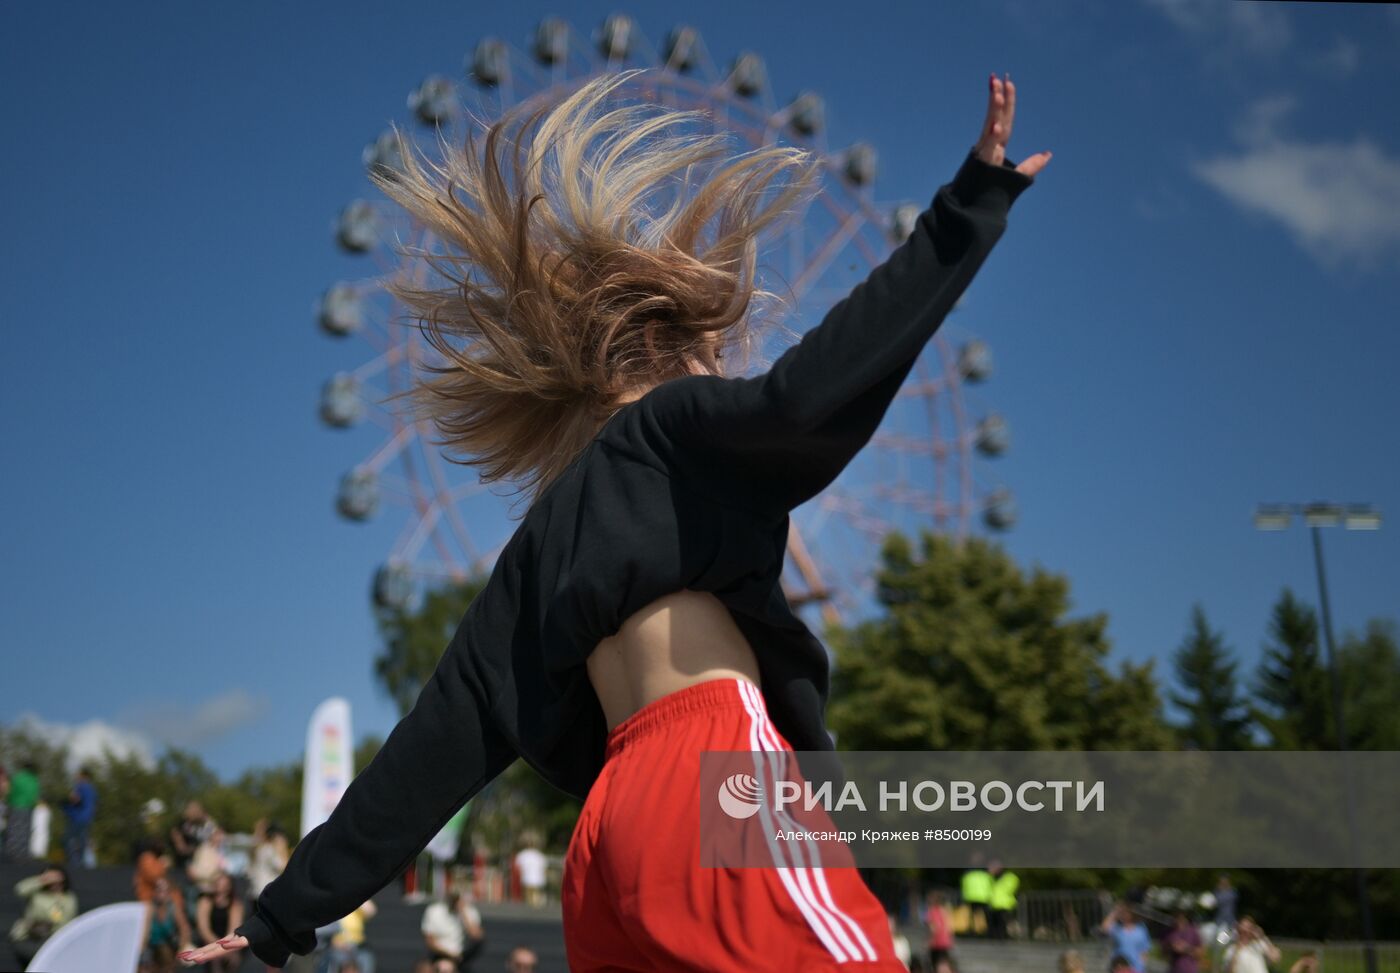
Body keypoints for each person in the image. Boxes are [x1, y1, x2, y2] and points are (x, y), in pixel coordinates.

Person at [182, 67, 1048, 972]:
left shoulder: (538, 544)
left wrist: (287, 911)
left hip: (606, 836)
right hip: (716, 771)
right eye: (719, 357)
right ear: (674, 346)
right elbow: (809, 395)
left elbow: (435, 746)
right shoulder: (674, 427)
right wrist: (968, 210)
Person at [8, 864, 78, 967]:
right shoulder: (37, 894)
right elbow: (20, 889)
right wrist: (42, 880)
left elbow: (66, 920)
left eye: (56, 877)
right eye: (49, 877)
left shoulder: (69, 898)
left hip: (54, 938)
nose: (53, 881)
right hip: (30, 938)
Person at [421, 888, 485, 971]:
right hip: (440, 955)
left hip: (463, 957)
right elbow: (430, 941)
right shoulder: (434, 911)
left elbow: (477, 936)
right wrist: (450, 955)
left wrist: (462, 911)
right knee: (440, 967)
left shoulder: (470, 912)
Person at [141, 876, 193, 973]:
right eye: (159, 889)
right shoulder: (149, 908)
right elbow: (144, 933)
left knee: (165, 953)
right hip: (152, 947)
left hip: (169, 948)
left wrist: (181, 949)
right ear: (154, 891)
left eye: (165, 890)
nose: (162, 893)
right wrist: (141, 950)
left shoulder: (174, 908)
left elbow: (185, 929)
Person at [196, 871, 245, 973]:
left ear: (229, 886)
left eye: (222, 882)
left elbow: (233, 931)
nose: (219, 885)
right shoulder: (205, 901)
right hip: (209, 941)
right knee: (214, 957)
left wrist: (224, 948)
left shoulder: (235, 905)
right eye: (217, 882)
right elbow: (204, 929)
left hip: (228, 942)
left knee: (234, 957)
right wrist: (216, 947)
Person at [318, 899, 378, 973]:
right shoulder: (333, 905)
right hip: (336, 948)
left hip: (358, 946)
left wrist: (355, 894)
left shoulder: (355, 904)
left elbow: (371, 911)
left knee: (366, 959)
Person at [3, 761, 39, 863]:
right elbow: (35, 795)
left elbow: (10, 792)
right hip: (28, 808)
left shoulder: (17, 777)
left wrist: (8, 802)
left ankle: (11, 852)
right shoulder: (34, 779)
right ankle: (23, 853)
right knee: (25, 830)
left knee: (13, 829)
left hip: (15, 806)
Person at [61, 765, 98, 867]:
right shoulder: (92, 789)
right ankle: (80, 863)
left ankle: (73, 862)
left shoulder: (80, 786)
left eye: (78, 774)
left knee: (67, 839)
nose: (76, 776)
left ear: (83, 776)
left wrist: (66, 802)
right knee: (82, 841)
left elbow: (75, 799)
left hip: (77, 818)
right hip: (87, 819)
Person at [1100, 902, 1151, 973]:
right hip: (1118, 965)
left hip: (1135, 967)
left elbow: (1144, 950)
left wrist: (1141, 966)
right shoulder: (1117, 928)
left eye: (1125, 913)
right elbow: (1104, 929)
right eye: (1122, 913)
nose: (1123, 915)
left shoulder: (1141, 929)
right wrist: (1114, 912)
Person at [959, 857, 992, 937]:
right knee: (982, 916)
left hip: (972, 897)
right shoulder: (985, 873)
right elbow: (990, 885)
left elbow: (964, 885)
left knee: (972, 916)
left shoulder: (967, 873)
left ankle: (973, 931)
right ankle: (983, 931)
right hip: (982, 897)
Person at [987, 860, 1018, 940]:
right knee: (995, 926)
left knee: (1003, 925)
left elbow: (1009, 888)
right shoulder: (991, 878)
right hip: (994, 905)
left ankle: (1004, 938)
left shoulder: (1009, 877)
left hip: (1005, 905)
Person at [514, 838, 548, 907]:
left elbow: (517, 866)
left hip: (527, 876)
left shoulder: (522, 854)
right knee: (534, 891)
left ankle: (532, 904)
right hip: (537, 877)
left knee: (529, 892)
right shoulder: (539, 855)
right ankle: (534, 903)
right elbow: (544, 867)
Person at [925, 889, 955, 967]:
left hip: (936, 943)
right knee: (944, 965)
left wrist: (929, 941)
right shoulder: (945, 911)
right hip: (946, 942)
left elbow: (933, 929)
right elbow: (950, 927)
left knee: (935, 965)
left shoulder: (932, 912)